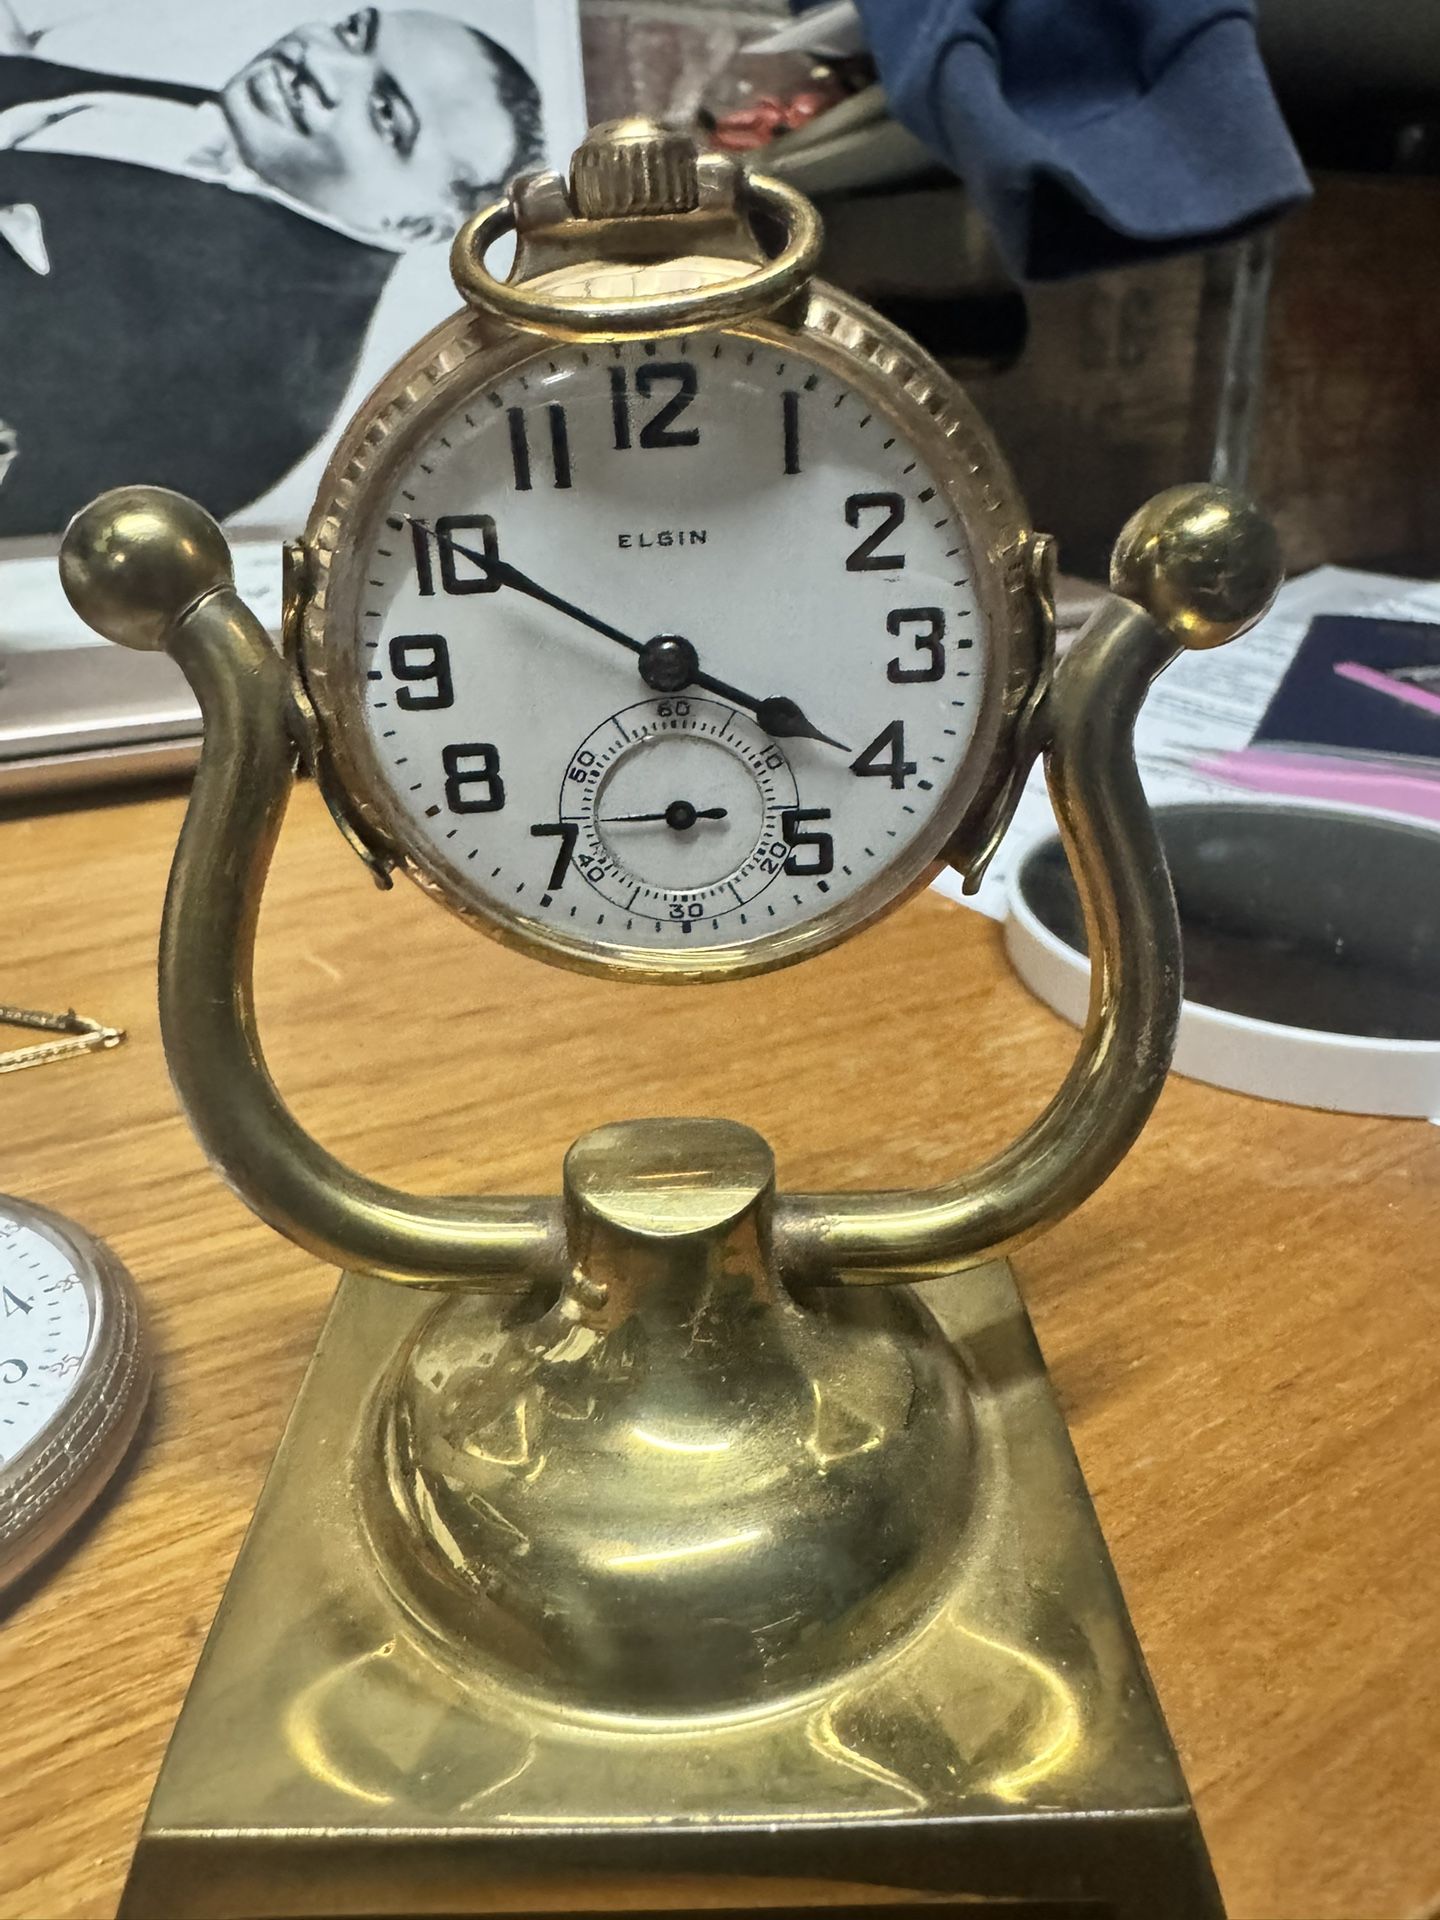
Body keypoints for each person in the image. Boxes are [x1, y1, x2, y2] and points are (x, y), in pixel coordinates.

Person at [0, 6, 543, 537]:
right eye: (354, 33)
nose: (323, 64)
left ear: (416, 226)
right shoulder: (247, 130)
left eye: (384, 112)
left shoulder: (258, 393)